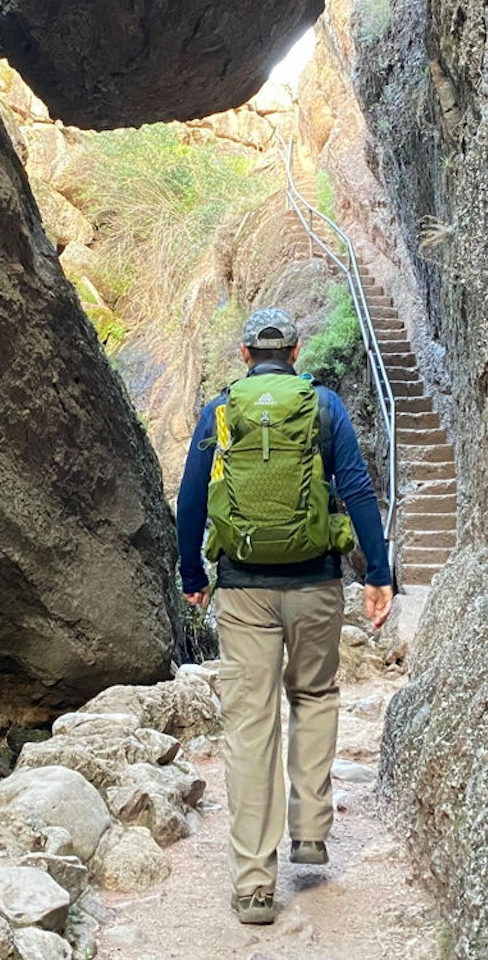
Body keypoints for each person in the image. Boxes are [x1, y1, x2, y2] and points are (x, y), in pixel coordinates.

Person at [176, 306, 393, 926]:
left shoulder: (221, 410)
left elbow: (192, 496)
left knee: (250, 726)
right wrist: (376, 573)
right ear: (295, 353)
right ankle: (309, 832)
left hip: (243, 588)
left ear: (245, 355)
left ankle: (253, 887)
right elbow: (355, 487)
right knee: (315, 695)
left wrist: (194, 575)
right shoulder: (324, 406)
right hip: (317, 582)